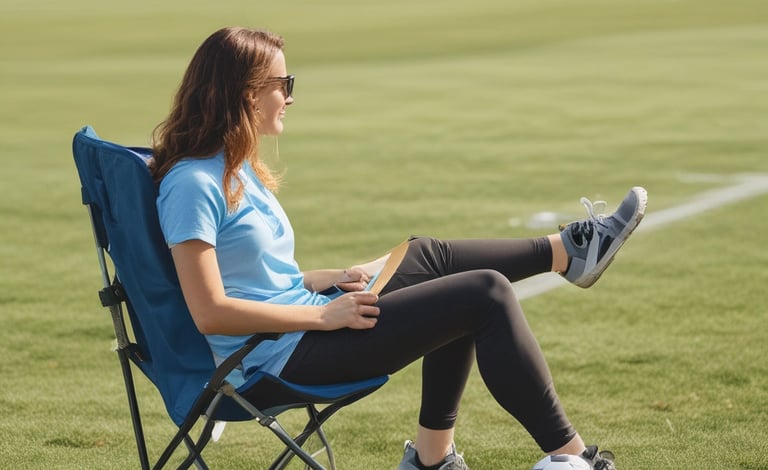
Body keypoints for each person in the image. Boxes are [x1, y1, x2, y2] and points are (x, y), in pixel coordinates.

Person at [150, 27, 646, 470]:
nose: (290, 97)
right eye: (284, 85)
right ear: (247, 94)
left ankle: (566, 254)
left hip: (301, 323)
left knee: (426, 254)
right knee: (484, 294)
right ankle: (573, 456)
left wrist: (318, 280)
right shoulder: (194, 184)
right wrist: (326, 317)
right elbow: (210, 312)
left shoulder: (233, 168)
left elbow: (248, 277)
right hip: (278, 359)